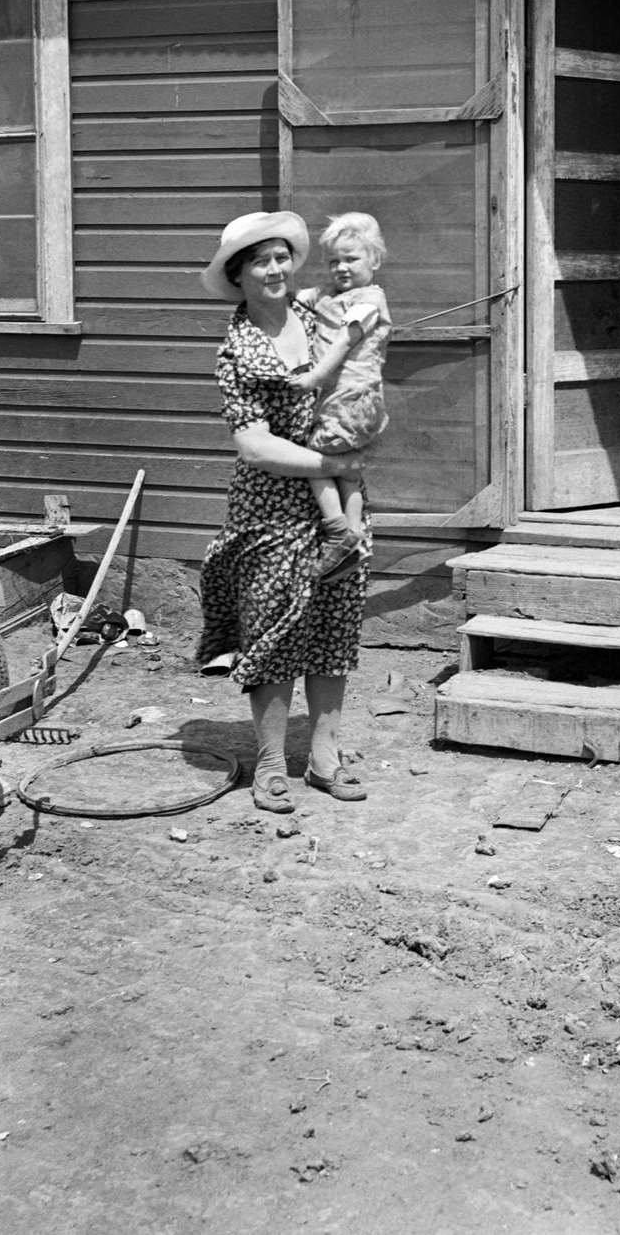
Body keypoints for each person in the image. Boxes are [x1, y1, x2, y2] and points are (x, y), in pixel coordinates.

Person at [196, 209, 369, 813]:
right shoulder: (237, 349)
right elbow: (254, 444)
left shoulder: (316, 314)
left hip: (341, 503)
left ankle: (325, 758)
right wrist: (331, 468)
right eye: (259, 261)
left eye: (280, 258)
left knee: (333, 625)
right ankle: (270, 761)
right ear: (238, 275)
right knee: (272, 632)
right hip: (269, 507)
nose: (274, 269)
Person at [290, 212, 391, 583]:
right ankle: (354, 540)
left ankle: (336, 532)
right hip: (347, 401)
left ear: (375, 261)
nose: (341, 267)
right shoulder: (329, 295)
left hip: (350, 399)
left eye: (352, 259)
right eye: (334, 261)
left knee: (314, 460)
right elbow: (297, 298)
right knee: (348, 473)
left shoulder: (369, 301)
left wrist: (315, 374)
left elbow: (346, 339)